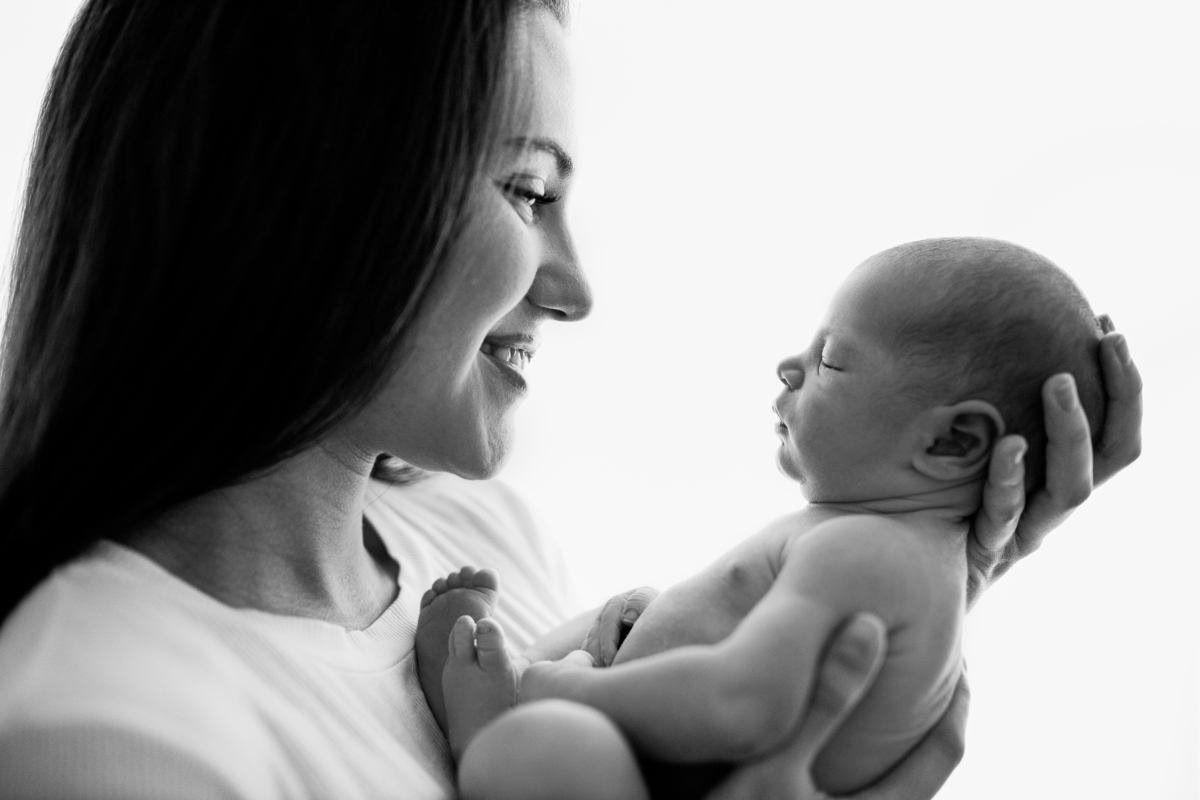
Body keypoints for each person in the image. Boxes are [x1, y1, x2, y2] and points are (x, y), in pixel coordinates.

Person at [0, 1, 1142, 798]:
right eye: (527, 190)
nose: (578, 290)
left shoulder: (483, 536)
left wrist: (934, 574)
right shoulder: (108, 735)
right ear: (294, 197)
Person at [414, 237, 1113, 799]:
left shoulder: (867, 550)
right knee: (632, 607)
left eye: (830, 359)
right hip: (660, 759)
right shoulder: (911, 561)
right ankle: (504, 686)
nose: (789, 366)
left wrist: (572, 685)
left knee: (544, 748)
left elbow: (741, 707)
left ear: (952, 442)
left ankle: (491, 725)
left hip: (648, 778)